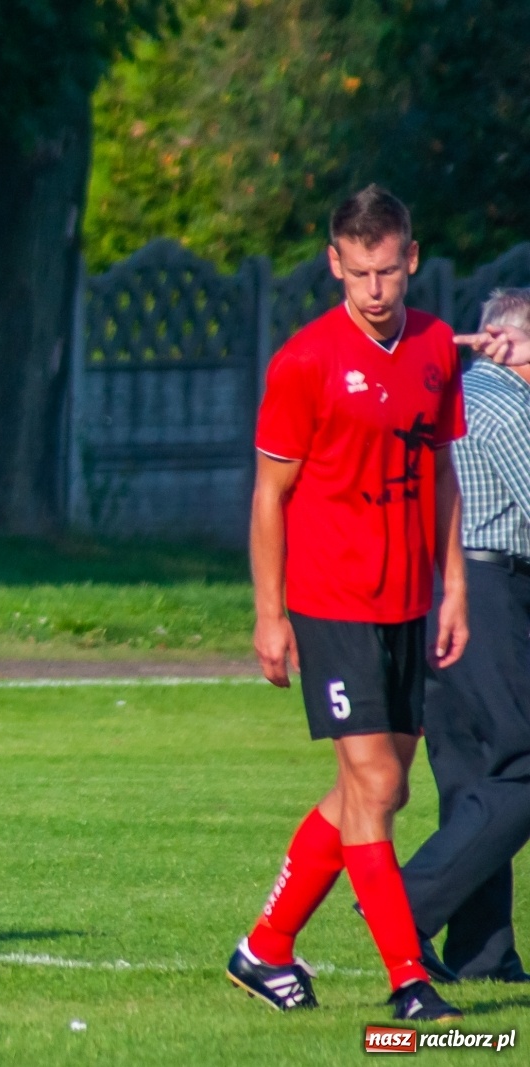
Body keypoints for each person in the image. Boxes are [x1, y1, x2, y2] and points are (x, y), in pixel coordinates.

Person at [226, 185, 468, 1021]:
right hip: (331, 602)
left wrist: (454, 587)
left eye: (388, 271)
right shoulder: (305, 361)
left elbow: (440, 472)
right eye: (359, 271)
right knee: (374, 779)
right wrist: (270, 613)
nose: (374, 289)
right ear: (334, 263)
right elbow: (269, 495)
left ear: (411, 260)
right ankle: (409, 980)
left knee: (378, 790)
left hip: (408, 602)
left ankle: (265, 946)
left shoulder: (435, 346)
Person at [399, 287, 530, 983]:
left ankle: (481, 952)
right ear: (507, 343)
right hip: (484, 589)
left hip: (432, 588)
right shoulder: (506, 406)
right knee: (523, 763)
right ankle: (406, 903)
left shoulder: (447, 395)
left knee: (469, 774)